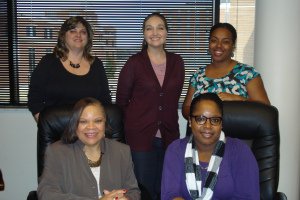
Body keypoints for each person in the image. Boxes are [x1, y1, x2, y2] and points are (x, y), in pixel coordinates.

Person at [116, 12, 185, 200]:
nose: (155, 32)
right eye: (149, 28)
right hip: (140, 138)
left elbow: (172, 98)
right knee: (144, 190)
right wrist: (134, 124)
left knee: (167, 189)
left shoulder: (177, 62)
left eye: (160, 27)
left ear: (167, 33)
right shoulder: (134, 63)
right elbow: (121, 102)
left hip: (170, 136)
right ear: (143, 33)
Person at [37, 97, 141, 200]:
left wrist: (126, 199)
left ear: (105, 123)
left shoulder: (122, 151)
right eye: (83, 121)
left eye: (98, 121)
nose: (91, 127)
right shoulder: (57, 152)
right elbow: (46, 194)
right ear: (75, 125)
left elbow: (133, 191)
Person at [161, 93, 260, 200]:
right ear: (190, 121)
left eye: (215, 120)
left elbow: (248, 196)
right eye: (200, 119)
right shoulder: (175, 150)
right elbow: (171, 195)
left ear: (221, 123)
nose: (208, 126)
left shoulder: (240, 152)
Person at [28, 16, 111, 122]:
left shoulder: (97, 65)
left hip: (89, 129)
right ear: (63, 36)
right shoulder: (48, 62)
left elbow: (105, 101)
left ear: (88, 38)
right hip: (57, 129)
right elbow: (34, 97)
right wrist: (45, 124)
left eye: (83, 32)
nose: (78, 35)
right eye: (73, 31)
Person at [182, 22, 270, 119]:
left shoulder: (248, 73)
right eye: (214, 40)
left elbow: (265, 109)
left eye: (225, 42)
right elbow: (186, 108)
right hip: (204, 131)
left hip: (239, 132)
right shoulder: (198, 75)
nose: (218, 46)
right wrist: (202, 117)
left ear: (233, 46)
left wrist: (238, 99)